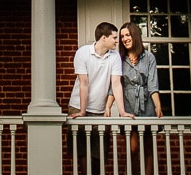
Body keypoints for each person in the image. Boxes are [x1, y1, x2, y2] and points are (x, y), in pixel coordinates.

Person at [69, 22, 133, 172]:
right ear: (104, 38)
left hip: (99, 111)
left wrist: (122, 112)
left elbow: (116, 84)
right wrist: (83, 112)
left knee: (99, 155)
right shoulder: (83, 53)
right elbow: (84, 83)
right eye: (115, 38)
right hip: (78, 106)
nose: (117, 41)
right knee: (83, 155)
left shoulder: (115, 56)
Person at [115, 21, 163, 174]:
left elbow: (153, 85)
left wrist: (158, 106)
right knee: (133, 148)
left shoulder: (149, 58)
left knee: (148, 147)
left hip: (147, 105)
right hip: (129, 107)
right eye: (122, 36)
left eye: (127, 35)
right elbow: (114, 85)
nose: (125, 39)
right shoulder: (119, 59)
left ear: (135, 35)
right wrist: (108, 107)